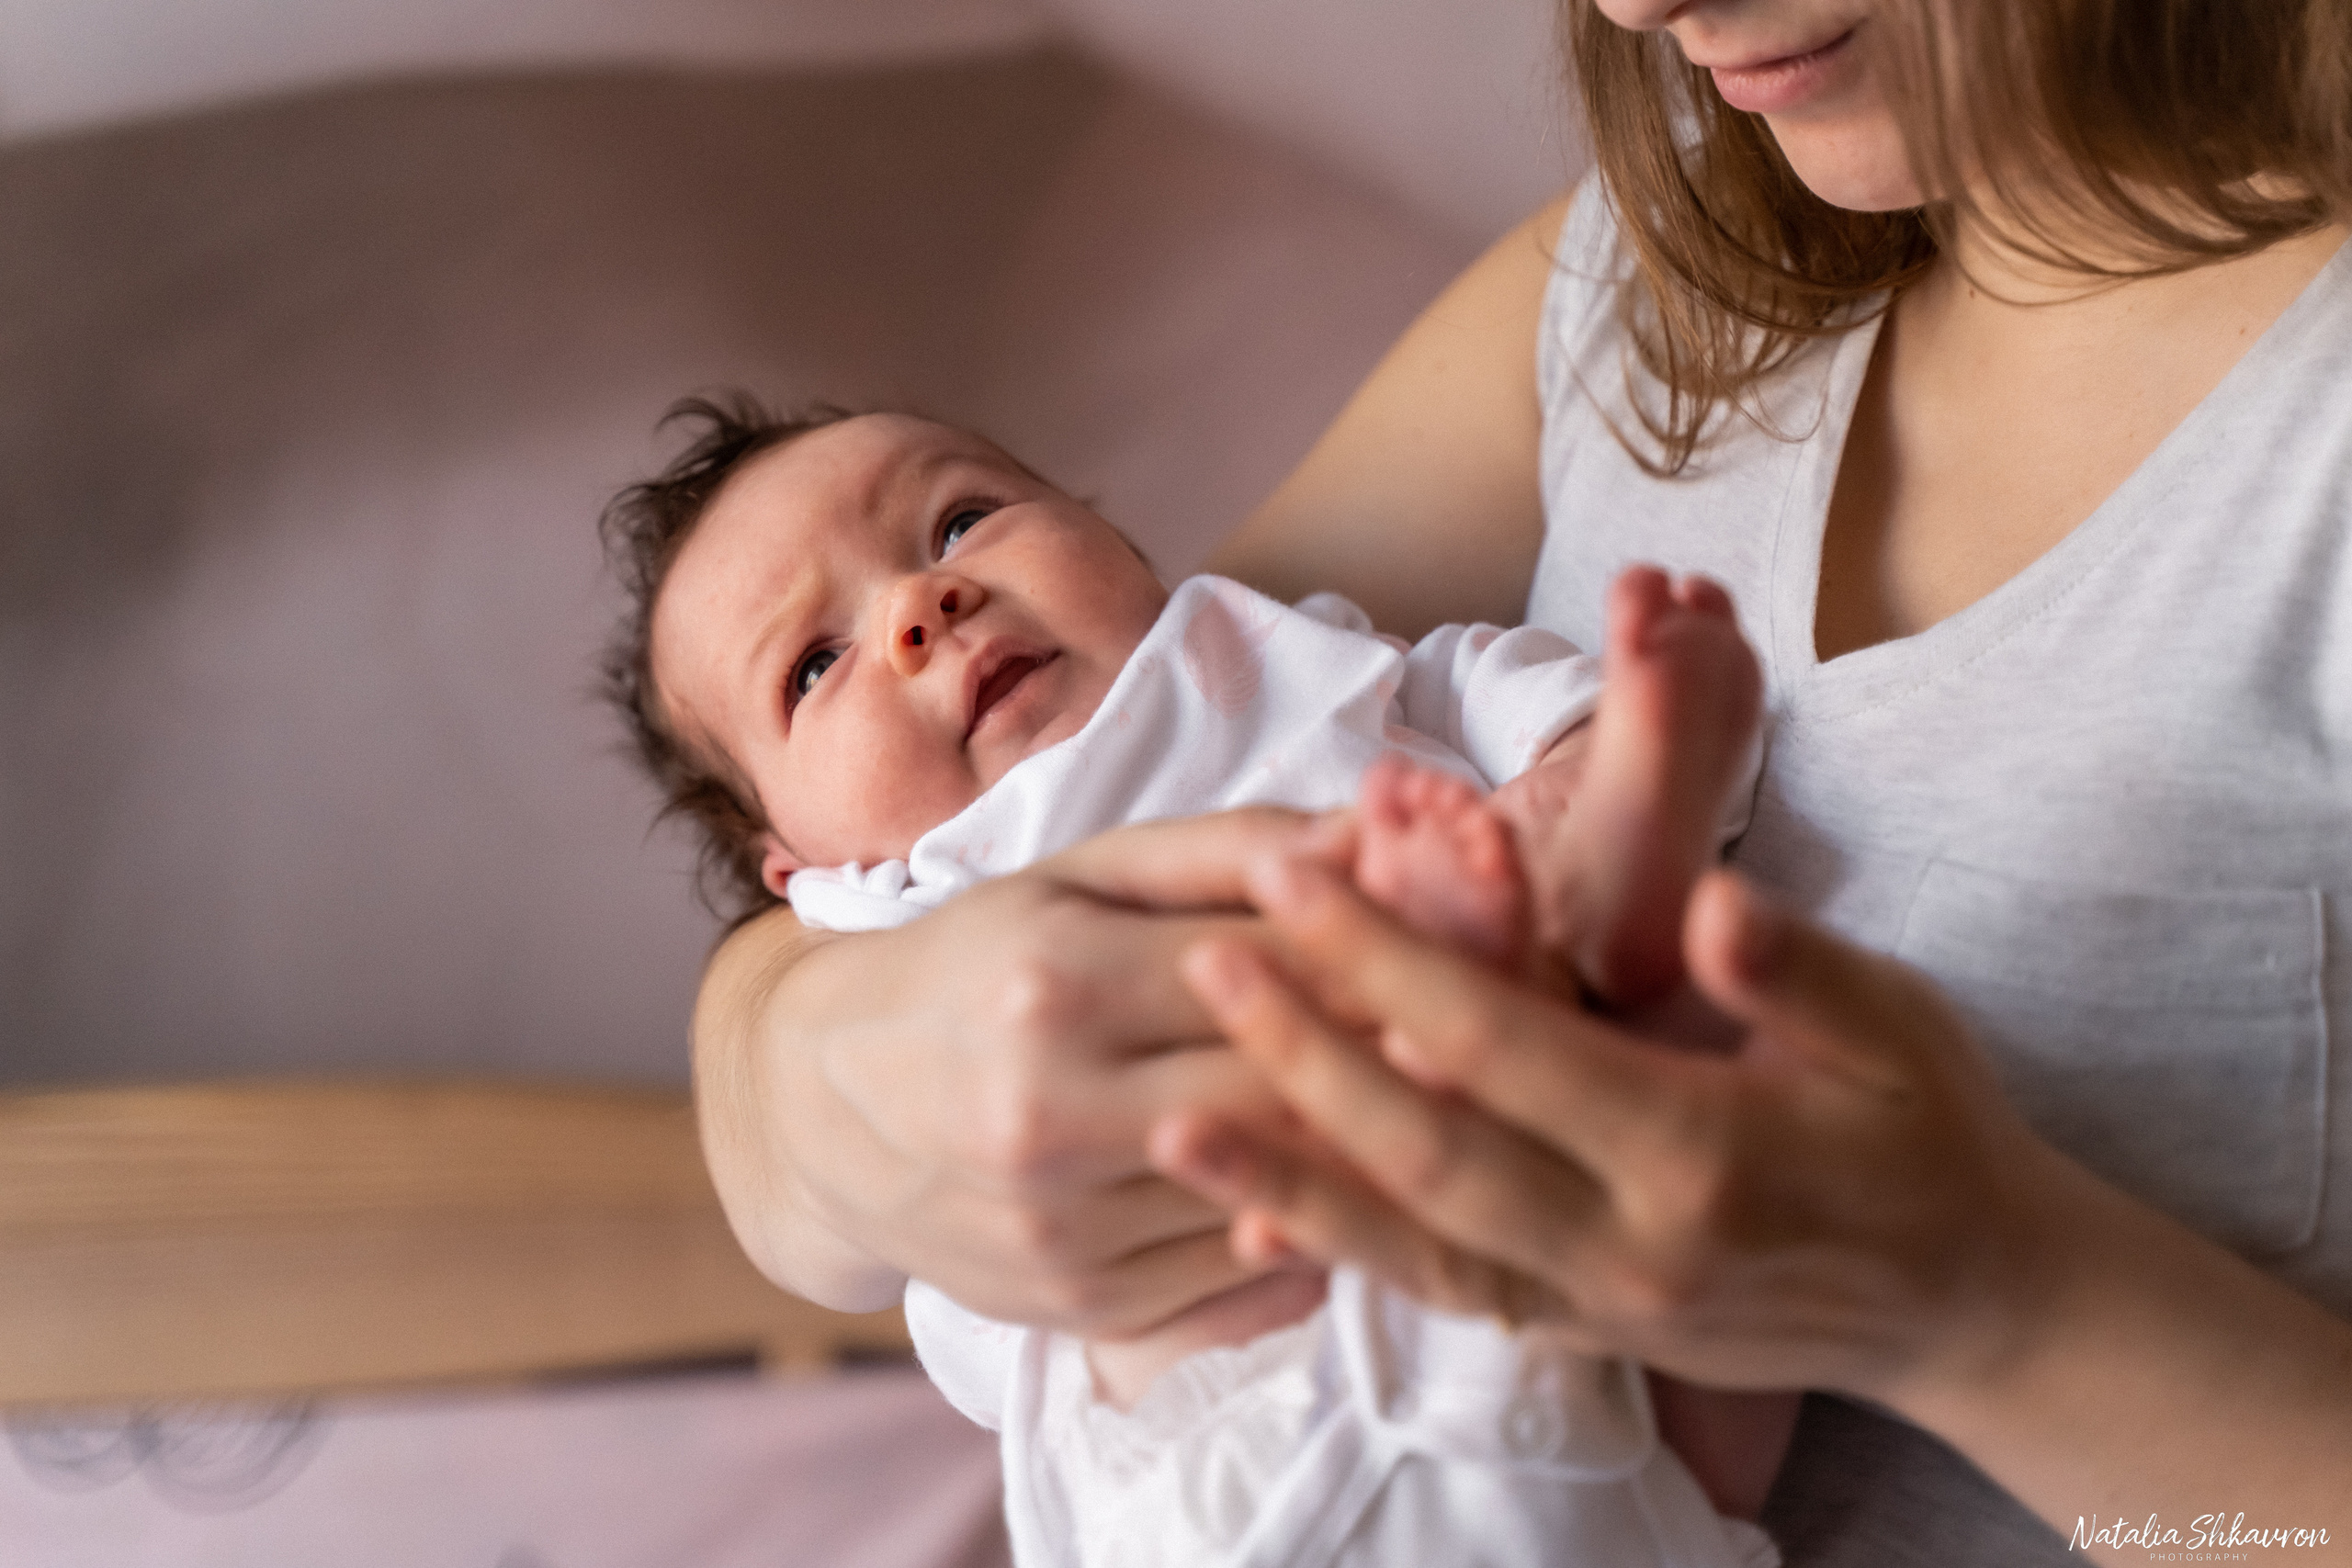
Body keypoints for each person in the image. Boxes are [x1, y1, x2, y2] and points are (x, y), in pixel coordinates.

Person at [685, 0, 2352, 1561]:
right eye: (813, 663)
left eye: (962, 522)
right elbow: (888, 949)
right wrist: (842, 1074)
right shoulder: (1647, 278)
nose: (1637, 9)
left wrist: (1984, 1297)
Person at [601, 397, 1788, 1564]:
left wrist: (1581, 757)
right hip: (1270, 1453)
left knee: (1712, 1169)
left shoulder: (1280, 654)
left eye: (959, 522)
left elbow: (1464, 682)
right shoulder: (896, 925)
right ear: (797, 869)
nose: (921, 602)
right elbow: (959, 1252)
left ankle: (1623, 881)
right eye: (814, 665)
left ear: (1111, 532)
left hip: (1585, 1284)